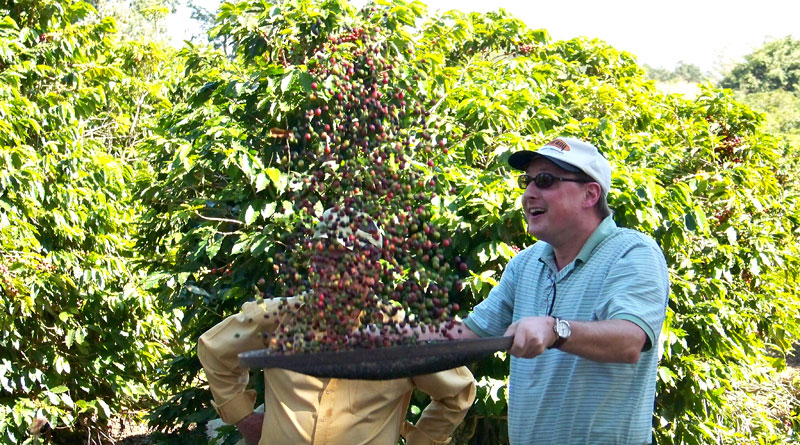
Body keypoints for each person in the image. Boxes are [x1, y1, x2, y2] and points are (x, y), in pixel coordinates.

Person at [443, 137, 670, 444]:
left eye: (545, 180)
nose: (528, 193)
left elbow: (630, 340)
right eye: (527, 181)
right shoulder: (526, 263)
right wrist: (388, 335)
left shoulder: (632, 252)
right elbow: (467, 335)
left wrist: (556, 330)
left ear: (590, 194)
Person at [197, 208, 476, 445]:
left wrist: (421, 439)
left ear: (372, 273)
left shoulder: (399, 335)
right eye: (324, 257)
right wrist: (243, 417)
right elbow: (215, 348)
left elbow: (458, 391)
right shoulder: (279, 318)